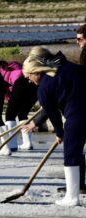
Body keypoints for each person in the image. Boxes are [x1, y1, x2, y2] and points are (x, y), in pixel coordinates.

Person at [22, 47, 86, 206]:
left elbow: (53, 115)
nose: (29, 81)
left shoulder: (43, 88)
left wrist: (59, 133)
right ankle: (79, 188)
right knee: (78, 153)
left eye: (29, 77)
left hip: (77, 117)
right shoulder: (69, 67)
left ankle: (71, 197)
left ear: (37, 71)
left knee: (71, 155)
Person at [0, 61, 38, 151]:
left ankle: (12, 145)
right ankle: (27, 143)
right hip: (34, 85)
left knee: (10, 115)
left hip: (20, 84)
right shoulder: (17, 67)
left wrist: (9, 99)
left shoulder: (0, 72)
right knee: (23, 114)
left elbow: (6, 88)